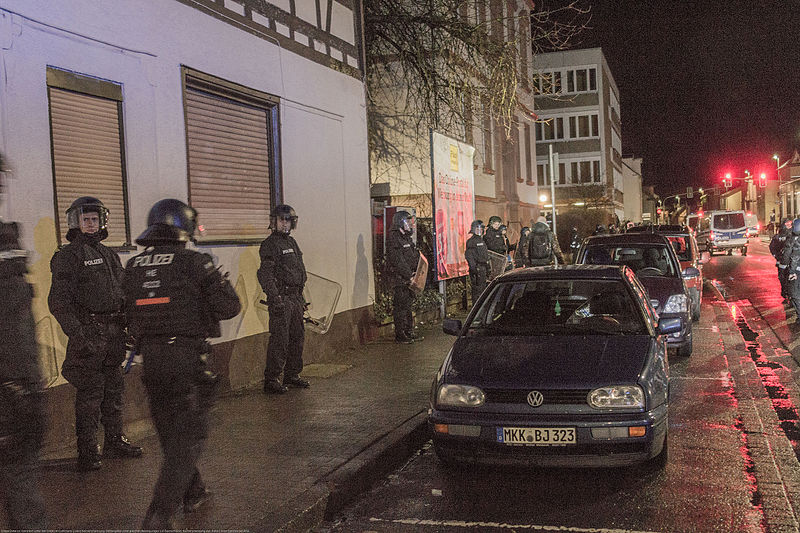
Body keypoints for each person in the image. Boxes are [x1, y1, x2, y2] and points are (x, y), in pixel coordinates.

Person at [124, 199, 241, 528]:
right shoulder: (195, 262)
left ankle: (194, 491)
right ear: (183, 227)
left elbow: (125, 313)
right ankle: (159, 513)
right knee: (188, 437)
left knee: (169, 432)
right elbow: (229, 307)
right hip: (187, 360)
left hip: (152, 362)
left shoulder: (133, 267)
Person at [48, 196, 142, 471]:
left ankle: (115, 440)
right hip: (89, 334)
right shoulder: (68, 257)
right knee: (90, 395)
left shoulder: (109, 254)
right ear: (75, 222)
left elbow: (123, 293)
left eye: (94, 219)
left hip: (113, 334)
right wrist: (78, 335)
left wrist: (130, 324)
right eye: (85, 219)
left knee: (114, 391)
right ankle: (87, 450)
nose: (91, 224)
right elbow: (59, 303)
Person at [0, 162, 47, 529]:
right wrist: (24, 387)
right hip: (12, 388)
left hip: (14, 384)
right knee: (20, 477)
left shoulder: (7, 242)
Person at [258, 204, 310, 393]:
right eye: (282, 220)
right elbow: (265, 274)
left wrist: (302, 299)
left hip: (295, 297)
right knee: (280, 339)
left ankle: (292, 374)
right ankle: (271, 379)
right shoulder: (269, 245)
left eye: (288, 220)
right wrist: (275, 298)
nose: (285, 224)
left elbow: (298, 270)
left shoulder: (292, 243)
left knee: (297, 337)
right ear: (274, 222)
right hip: (282, 298)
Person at [385, 210, 421, 344]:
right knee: (400, 307)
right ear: (400, 222)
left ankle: (408, 331)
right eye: (408, 221)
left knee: (408, 306)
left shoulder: (406, 238)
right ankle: (400, 334)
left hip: (410, 278)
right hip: (400, 279)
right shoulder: (394, 239)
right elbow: (397, 261)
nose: (410, 224)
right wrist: (408, 275)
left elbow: (413, 256)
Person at [465, 220, 490, 304]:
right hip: (477, 269)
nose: (479, 231)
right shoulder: (471, 241)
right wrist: (474, 269)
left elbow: (485, 255)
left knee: (483, 290)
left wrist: (488, 267)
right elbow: (469, 256)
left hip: (483, 268)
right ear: (473, 229)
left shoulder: (482, 241)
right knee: (477, 291)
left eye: (481, 229)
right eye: (477, 229)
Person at [770, 218, 793, 301]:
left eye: (790, 223)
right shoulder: (779, 236)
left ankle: (791, 295)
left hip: (792, 261)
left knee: (791, 279)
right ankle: (785, 293)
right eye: (787, 223)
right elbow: (772, 246)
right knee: (782, 278)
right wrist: (776, 256)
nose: (789, 225)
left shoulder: (794, 234)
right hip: (782, 261)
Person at [783, 219, 800, 318]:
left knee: (795, 294)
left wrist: (792, 271)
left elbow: (794, 256)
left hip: (797, 271)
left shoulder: (795, 240)